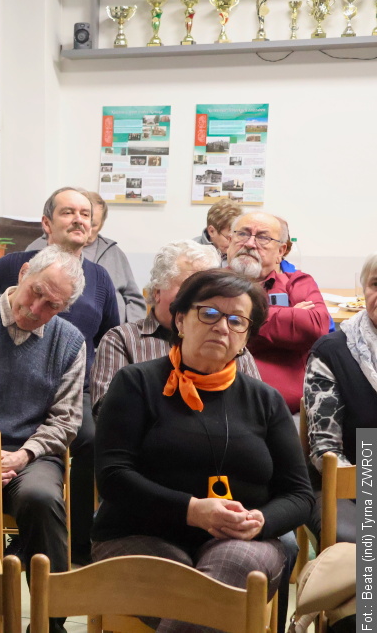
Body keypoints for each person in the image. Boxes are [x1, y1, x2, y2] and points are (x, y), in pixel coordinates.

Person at [93, 269, 312, 631]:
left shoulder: (265, 400)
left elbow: (299, 495)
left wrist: (260, 521)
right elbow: (112, 477)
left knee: (231, 568)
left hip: (239, 540)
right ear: (180, 320)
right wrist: (193, 511)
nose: (222, 327)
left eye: (236, 321)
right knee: (189, 587)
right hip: (139, 534)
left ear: (245, 338)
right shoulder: (136, 383)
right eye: (209, 313)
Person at [0, 187, 118, 566]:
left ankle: (76, 543)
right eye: (68, 212)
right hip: (11, 382)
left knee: (91, 437)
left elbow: (109, 336)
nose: (79, 219)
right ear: (47, 224)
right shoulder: (13, 265)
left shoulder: (99, 277)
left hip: (74, 388)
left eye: (85, 214)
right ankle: (23, 532)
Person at [92, 240, 261, 415]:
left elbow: (256, 410)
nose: (200, 300)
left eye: (208, 292)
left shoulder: (227, 342)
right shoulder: (122, 339)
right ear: (157, 291)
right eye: (188, 287)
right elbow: (107, 413)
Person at [303, 251, 377, 544]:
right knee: (367, 549)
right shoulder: (332, 352)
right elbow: (326, 450)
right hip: (353, 487)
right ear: (364, 289)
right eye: (376, 284)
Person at [226, 212, 328, 415]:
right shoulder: (209, 282)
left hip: (287, 412)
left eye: (263, 237)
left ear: (281, 251)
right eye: (243, 234)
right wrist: (288, 316)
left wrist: (237, 318)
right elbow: (202, 328)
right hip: (222, 406)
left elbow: (315, 327)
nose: (250, 243)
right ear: (230, 241)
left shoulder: (297, 282)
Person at [28, 191, 146, 324]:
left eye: (92, 223)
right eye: (69, 213)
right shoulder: (37, 249)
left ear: (100, 225)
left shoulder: (114, 253)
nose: (80, 223)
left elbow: (134, 298)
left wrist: (132, 331)